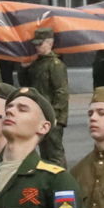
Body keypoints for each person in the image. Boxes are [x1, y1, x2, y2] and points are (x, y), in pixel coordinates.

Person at [24, 28, 70, 165]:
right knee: (44, 153)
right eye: (36, 45)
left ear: (50, 43)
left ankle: (61, 182)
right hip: (40, 114)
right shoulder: (37, 64)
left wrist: (54, 115)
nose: (37, 47)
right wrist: (23, 69)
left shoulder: (55, 65)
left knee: (54, 153)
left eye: (41, 44)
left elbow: (61, 92)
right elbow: (28, 86)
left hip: (52, 116)